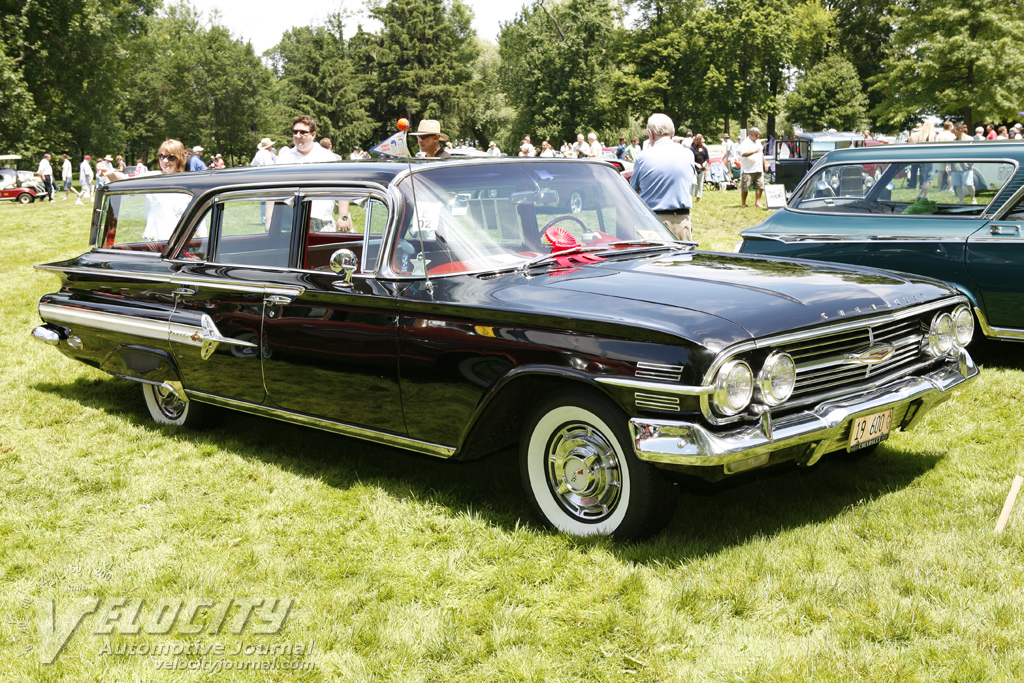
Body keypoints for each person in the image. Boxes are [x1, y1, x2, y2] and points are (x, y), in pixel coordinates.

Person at [278, 115, 355, 231]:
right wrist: (269, 222)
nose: (298, 135)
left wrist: (343, 216)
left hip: (322, 220)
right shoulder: (284, 160)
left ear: (313, 135)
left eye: (303, 132)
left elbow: (342, 186)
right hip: (292, 221)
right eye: (295, 131)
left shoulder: (327, 157)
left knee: (325, 249)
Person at [629, 113, 696, 241]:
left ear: (651, 133)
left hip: (650, 223)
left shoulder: (643, 157)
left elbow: (632, 191)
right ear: (673, 132)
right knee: (681, 260)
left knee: (652, 261)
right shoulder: (688, 154)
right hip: (680, 221)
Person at [739, 128, 766, 209]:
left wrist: (765, 163)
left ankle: (757, 203)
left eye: (758, 134)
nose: (758, 136)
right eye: (757, 134)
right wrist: (754, 151)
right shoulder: (745, 143)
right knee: (745, 187)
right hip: (748, 169)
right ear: (751, 134)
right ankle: (743, 203)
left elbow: (761, 153)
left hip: (758, 167)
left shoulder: (758, 142)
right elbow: (743, 154)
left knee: (760, 185)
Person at [690, 134, 709, 204]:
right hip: (694, 169)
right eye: (702, 139)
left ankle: (698, 198)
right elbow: (690, 159)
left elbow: (707, 157)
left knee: (700, 184)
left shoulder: (704, 148)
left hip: (702, 169)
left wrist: (705, 163)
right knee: (693, 183)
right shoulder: (692, 149)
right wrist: (696, 163)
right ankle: (690, 198)